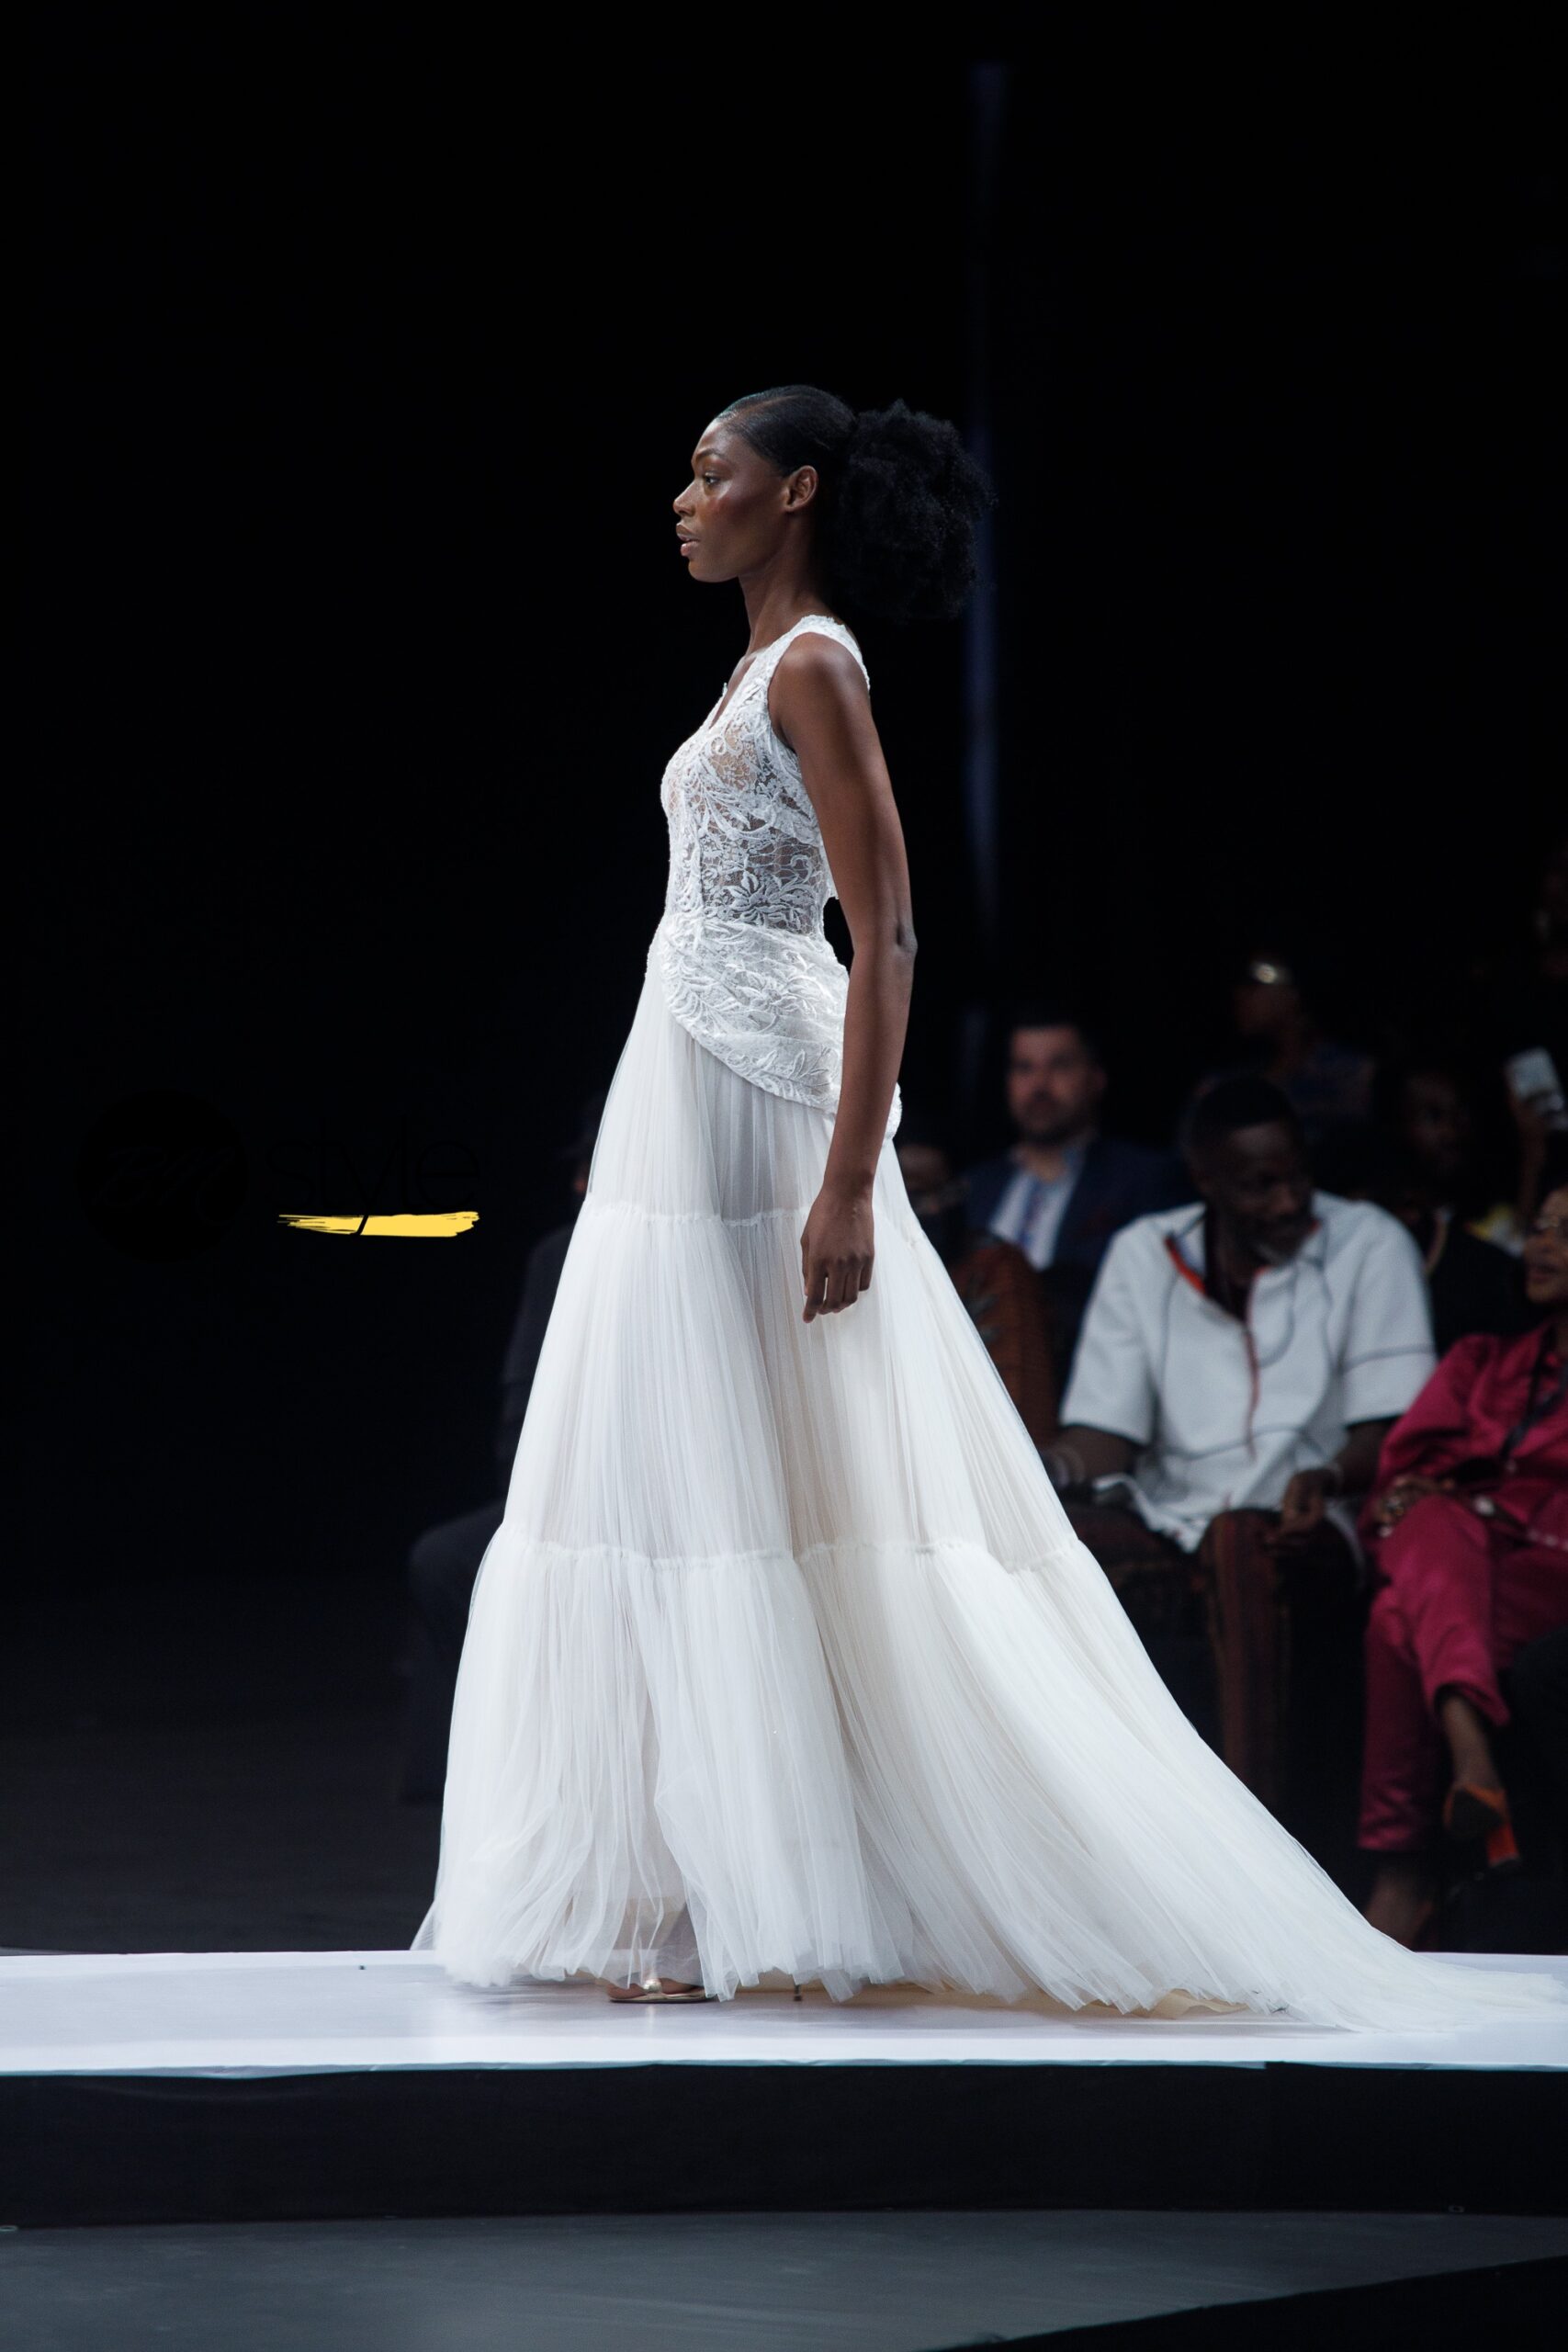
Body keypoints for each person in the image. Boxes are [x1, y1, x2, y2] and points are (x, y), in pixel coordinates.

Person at [410, 385, 1565, 2030]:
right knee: (690, 1482)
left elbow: (885, 932)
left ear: (792, 493)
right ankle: (697, 1882)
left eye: (710, 472)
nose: (682, 496)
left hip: (761, 1104)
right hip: (691, 1081)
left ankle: (770, 1893)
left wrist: (846, 1182)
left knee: (761, 1488)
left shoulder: (813, 667)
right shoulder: (751, 668)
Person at [1045, 1077, 1436, 1866]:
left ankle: (1254, 1856)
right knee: (1051, 1547)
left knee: (1238, 1545)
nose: (1287, 1202)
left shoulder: (1367, 1244)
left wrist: (1327, 1479)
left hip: (1315, 1518)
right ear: (1205, 1181)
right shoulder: (1144, 1253)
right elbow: (1105, 1436)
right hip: (1170, 1518)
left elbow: (1392, 1428)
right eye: (1260, 1185)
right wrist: (1042, 1473)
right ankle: (1087, 1847)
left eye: (1297, 1177)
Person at [1357, 1164, 1568, 1946]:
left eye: (1567, 1234)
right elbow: (1399, 1479)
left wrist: (1472, 1505)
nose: (1542, 1246)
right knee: (1420, 1557)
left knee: (1397, 1619)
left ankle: (1400, 1875)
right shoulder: (1480, 1361)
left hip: (1548, 1569)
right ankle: (1468, 1751)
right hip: (1459, 1562)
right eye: (1538, 1227)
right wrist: (1450, 1506)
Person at [960, 1009, 1188, 1385]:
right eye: (1024, 1068)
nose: (1040, 1085)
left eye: (1060, 1066)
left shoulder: (1143, 1179)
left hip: (1090, 1383)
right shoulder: (975, 1186)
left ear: (1095, 1078)